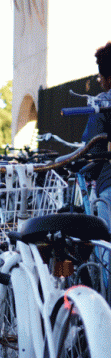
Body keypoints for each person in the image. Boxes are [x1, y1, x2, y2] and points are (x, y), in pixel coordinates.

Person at [88, 43, 111, 229]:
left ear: (109, 79)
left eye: (100, 77)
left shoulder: (102, 102)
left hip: (110, 182)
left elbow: (93, 150)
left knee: (106, 251)